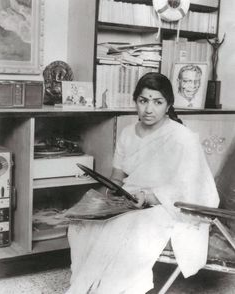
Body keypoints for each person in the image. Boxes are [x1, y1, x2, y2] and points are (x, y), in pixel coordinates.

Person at [66, 72, 219, 294]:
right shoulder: (128, 133)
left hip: (167, 206)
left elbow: (195, 187)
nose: (149, 109)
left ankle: (110, 289)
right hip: (129, 198)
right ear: (135, 101)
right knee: (82, 223)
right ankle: (85, 285)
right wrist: (109, 195)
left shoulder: (182, 137)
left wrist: (150, 197)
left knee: (125, 226)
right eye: (143, 101)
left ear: (168, 105)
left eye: (157, 102)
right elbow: (118, 176)